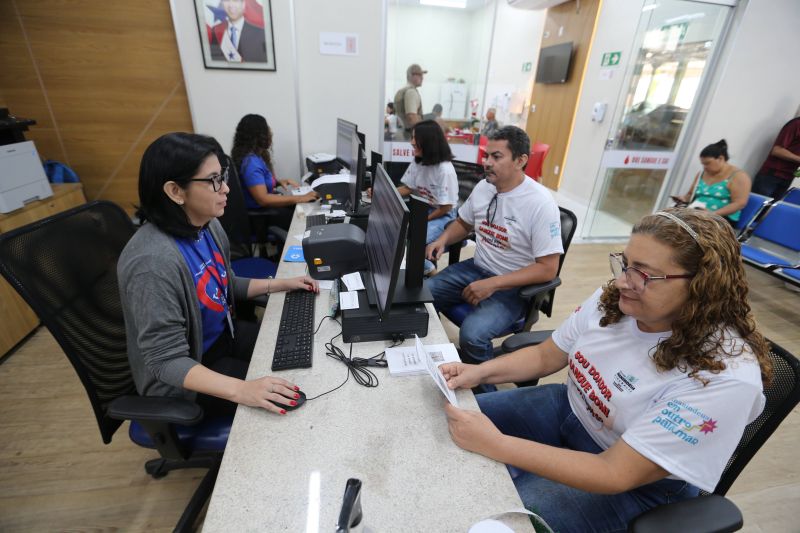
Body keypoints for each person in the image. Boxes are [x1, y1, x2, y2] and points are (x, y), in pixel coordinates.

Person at [440, 208, 772, 532]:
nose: (623, 281)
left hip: (632, 483)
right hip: (568, 409)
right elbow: (545, 356)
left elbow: (614, 472)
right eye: (625, 264)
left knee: (491, 517)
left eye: (642, 273)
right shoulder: (617, 298)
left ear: (702, 285)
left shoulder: (724, 377)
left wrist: (495, 443)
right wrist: (478, 372)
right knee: (442, 417)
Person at [118, 132, 319, 418]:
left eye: (222, 176)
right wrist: (243, 390)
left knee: (303, 347)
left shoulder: (206, 226)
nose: (225, 188)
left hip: (224, 339)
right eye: (214, 180)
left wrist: (282, 283)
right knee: (292, 402)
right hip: (188, 380)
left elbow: (224, 283)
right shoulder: (152, 263)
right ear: (176, 191)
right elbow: (166, 361)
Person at [425, 126, 563, 362]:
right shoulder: (484, 187)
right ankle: (431, 358)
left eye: (496, 157)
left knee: (472, 335)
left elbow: (548, 268)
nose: (487, 162)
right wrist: (442, 240)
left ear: (520, 161)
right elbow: (464, 223)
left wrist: (493, 284)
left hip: (513, 286)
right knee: (422, 297)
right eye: (487, 155)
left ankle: (481, 393)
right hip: (476, 269)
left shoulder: (540, 203)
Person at [231, 114, 317, 230]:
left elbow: (257, 184)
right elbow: (263, 199)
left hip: (265, 211)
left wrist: (277, 182)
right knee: (305, 219)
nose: (270, 132)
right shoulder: (251, 163)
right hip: (262, 216)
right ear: (258, 136)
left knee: (305, 208)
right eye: (267, 129)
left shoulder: (255, 156)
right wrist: (302, 197)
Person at [396, 120, 459, 275]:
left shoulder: (445, 170)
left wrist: (422, 220)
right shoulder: (419, 161)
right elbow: (408, 188)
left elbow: (446, 208)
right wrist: (383, 193)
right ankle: (425, 269)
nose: (411, 142)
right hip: (424, 209)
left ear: (429, 142)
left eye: (415, 139)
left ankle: (430, 272)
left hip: (444, 215)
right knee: (397, 235)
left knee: (412, 241)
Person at [672, 139, 751, 226]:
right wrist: (684, 198)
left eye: (707, 163)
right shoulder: (701, 174)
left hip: (721, 219)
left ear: (721, 159)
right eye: (703, 164)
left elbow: (739, 203)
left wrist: (713, 214)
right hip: (697, 213)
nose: (705, 167)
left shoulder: (738, 176)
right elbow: (691, 194)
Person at [752, 115, 800, 199]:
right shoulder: (796, 124)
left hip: (789, 178)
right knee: (755, 209)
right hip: (772, 175)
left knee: (771, 211)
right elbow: (777, 150)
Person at [394, 64, 426, 140]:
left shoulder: (403, 90)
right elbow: (412, 118)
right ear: (412, 75)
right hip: (408, 137)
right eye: (420, 75)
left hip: (402, 135)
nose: (422, 78)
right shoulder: (411, 92)